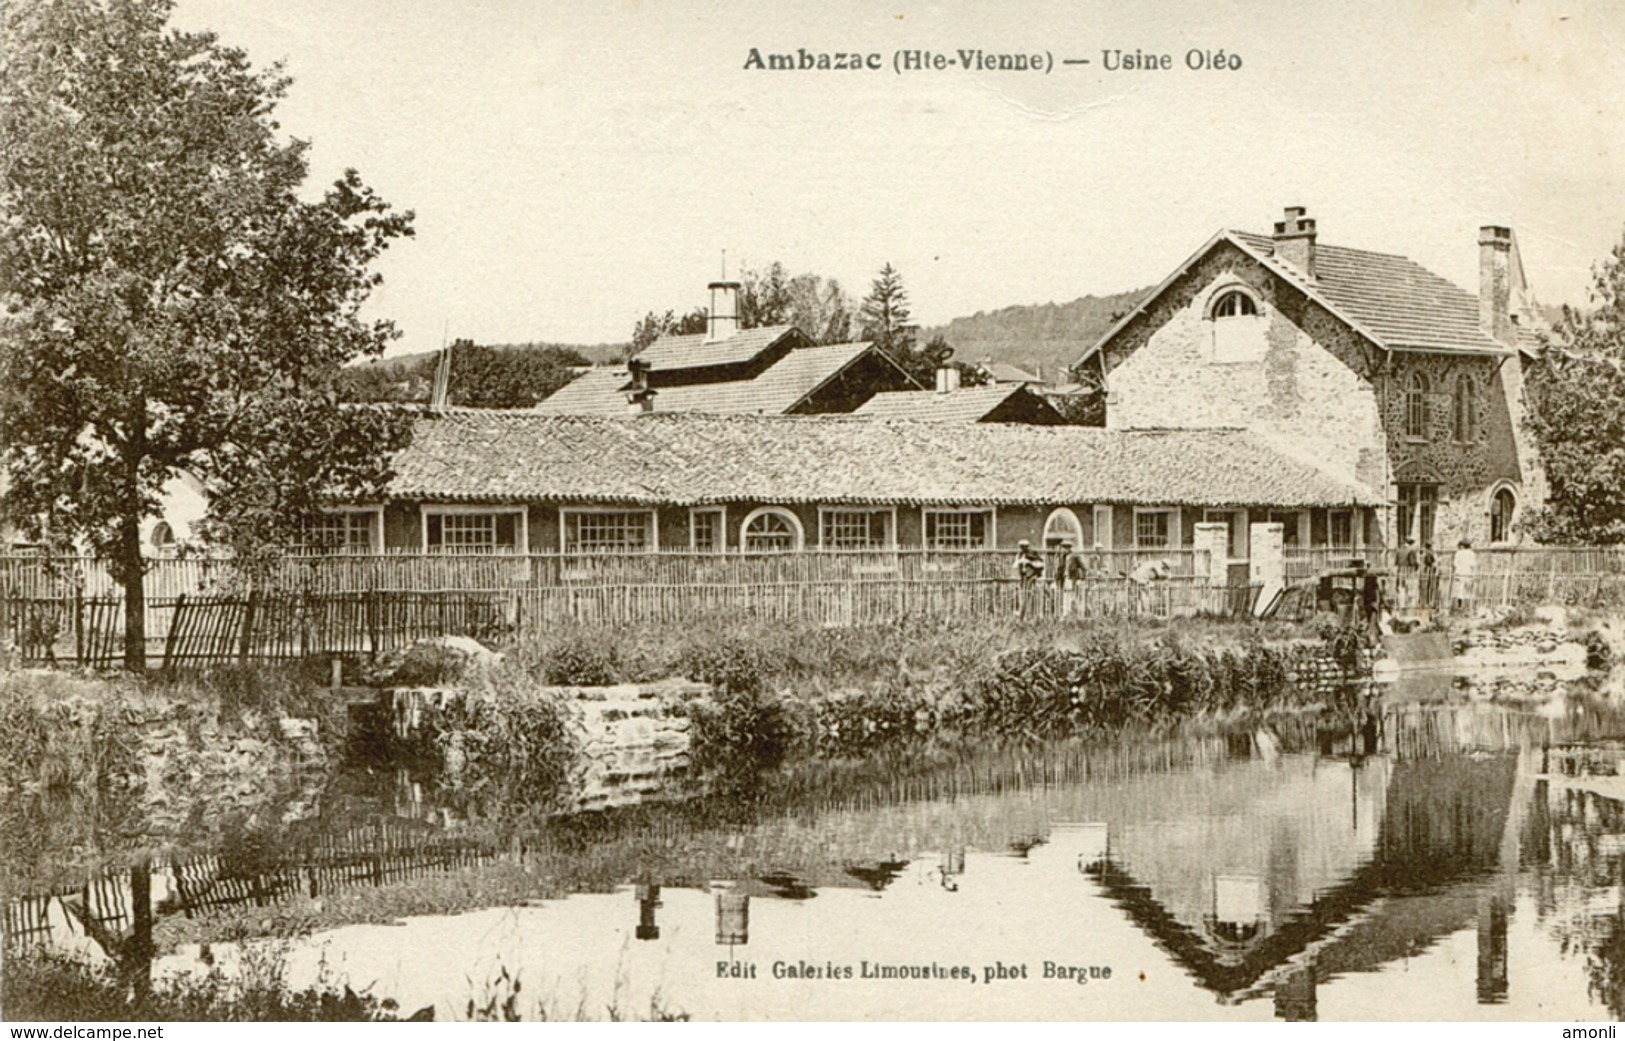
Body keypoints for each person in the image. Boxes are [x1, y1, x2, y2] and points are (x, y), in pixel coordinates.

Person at [1013, 539, 1044, 618]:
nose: (1023, 548)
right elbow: (1015, 565)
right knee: (1021, 594)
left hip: (1031, 576)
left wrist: (1029, 562)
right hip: (1022, 576)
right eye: (1021, 547)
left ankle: (1028, 613)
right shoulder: (1019, 555)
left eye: (1025, 547)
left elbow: (1041, 564)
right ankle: (1022, 612)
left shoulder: (1033, 553)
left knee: (1028, 594)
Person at [1452, 539, 1478, 615]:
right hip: (1468, 572)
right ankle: (1469, 606)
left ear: (1462, 546)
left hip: (1460, 572)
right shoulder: (1472, 554)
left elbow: (1455, 564)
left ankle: (1460, 605)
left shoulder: (1458, 553)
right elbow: (1473, 564)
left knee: (1460, 589)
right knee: (1468, 589)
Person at [1419, 541, 1438, 611]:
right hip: (1428, 570)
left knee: (1423, 586)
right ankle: (1429, 602)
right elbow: (1432, 562)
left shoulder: (1422, 552)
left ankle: (1422, 601)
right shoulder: (1431, 552)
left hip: (1422, 570)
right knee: (1430, 586)